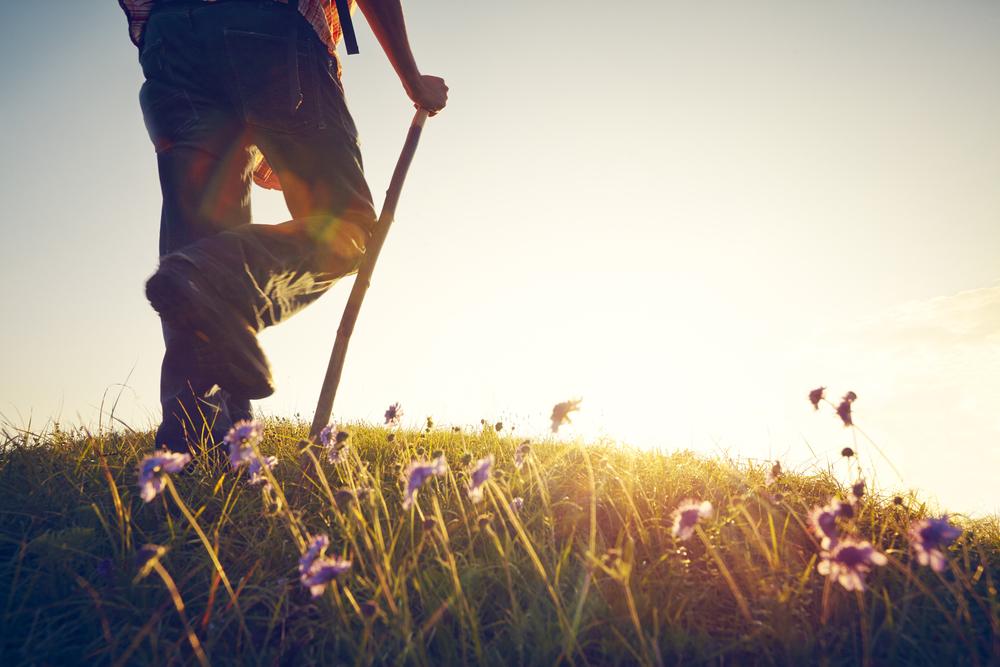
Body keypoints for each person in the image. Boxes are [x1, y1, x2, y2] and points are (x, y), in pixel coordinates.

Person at [119, 0, 447, 454]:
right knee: (347, 226)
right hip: (266, 25)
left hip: (170, 39)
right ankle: (221, 282)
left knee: (199, 241)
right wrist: (413, 80)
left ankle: (199, 453)